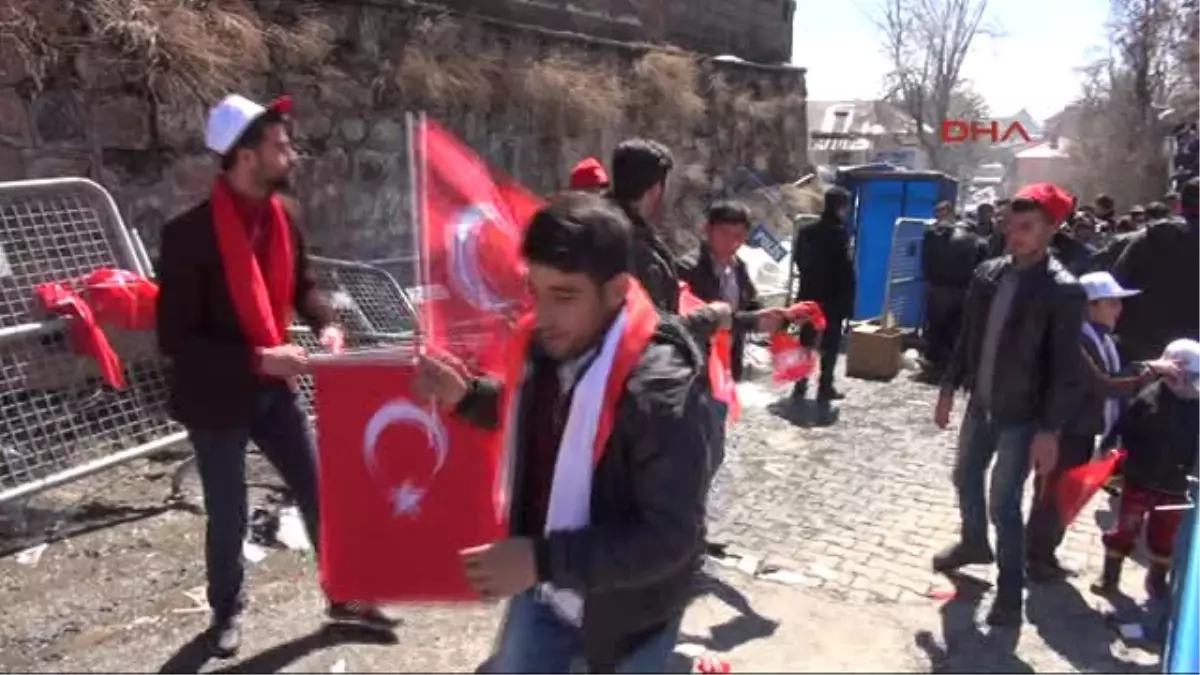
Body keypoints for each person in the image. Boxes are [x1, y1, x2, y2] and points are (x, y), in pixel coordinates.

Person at [414, 192, 712, 672]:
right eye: (535, 290)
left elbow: (670, 538)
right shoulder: (544, 348)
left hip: (631, 619)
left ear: (616, 292)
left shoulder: (661, 394)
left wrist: (542, 559)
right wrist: (467, 397)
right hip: (546, 594)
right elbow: (537, 417)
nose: (543, 315)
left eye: (565, 295)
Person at [155, 94, 396, 657]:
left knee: (318, 489)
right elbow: (175, 341)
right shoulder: (187, 236)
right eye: (280, 145)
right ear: (244, 157)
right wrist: (258, 359)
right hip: (216, 397)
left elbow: (302, 286)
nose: (292, 153)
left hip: (273, 392)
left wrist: (326, 322)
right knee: (229, 510)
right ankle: (226, 610)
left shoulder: (284, 217)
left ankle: (344, 595)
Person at [931, 182, 1086, 627]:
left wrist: (1050, 431)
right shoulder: (989, 274)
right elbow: (967, 339)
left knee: (1005, 502)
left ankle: (1010, 596)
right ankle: (973, 543)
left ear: (1051, 230)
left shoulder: (1063, 290)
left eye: (1026, 227)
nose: (1014, 234)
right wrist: (947, 389)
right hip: (981, 405)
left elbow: (1065, 368)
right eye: (1010, 225)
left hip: (1024, 416)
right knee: (964, 474)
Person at [1024, 272, 1179, 582]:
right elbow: (1103, 385)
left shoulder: (1101, 338)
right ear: (1090, 305)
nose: (1118, 309)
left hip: (1082, 430)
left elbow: (1114, 376)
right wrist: (1148, 372)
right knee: (1051, 498)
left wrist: (1141, 369)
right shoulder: (1077, 339)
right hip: (1063, 432)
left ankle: (1045, 554)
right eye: (1112, 303)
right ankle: (1035, 559)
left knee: (1064, 496)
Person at [1092, 339, 1200, 599]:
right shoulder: (1149, 397)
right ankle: (1110, 575)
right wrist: (1110, 454)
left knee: (1164, 536)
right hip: (1140, 479)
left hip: (1176, 486)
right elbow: (1122, 429)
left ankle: (1157, 579)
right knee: (1125, 530)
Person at [678, 200, 774, 382]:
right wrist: (750, 320)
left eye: (738, 236)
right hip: (697, 368)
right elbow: (692, 322)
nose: (732, 242)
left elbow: (750, 305)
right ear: (707, 230)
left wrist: (781, 320)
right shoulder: (688, 269)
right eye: (724, 233)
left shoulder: (739, 268)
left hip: (729, 364)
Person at [1112, 176, 1200, 363]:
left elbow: (1117, 285)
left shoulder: (1146, 239)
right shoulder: (1148, 238)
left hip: (1146, 347)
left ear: (1180, 205)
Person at [791, 186, 856, 405]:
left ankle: (799, 384)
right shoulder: (839, 234)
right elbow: (845, 270)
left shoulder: (807, 231)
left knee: (806, 341)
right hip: (833, 298)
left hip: (809, 295)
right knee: (830, 344)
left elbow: (799, 260)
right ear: (841, 207)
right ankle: (825, 387)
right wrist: (849, 300)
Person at [920, 207, 987, 381]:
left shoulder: (935, 236)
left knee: (935, 330)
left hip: (937, 289)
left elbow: (926, 261)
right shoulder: (978, 242)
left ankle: (933, 367)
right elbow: (981, 269)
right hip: (962, 291)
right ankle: (951, 370)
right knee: (955, 332)